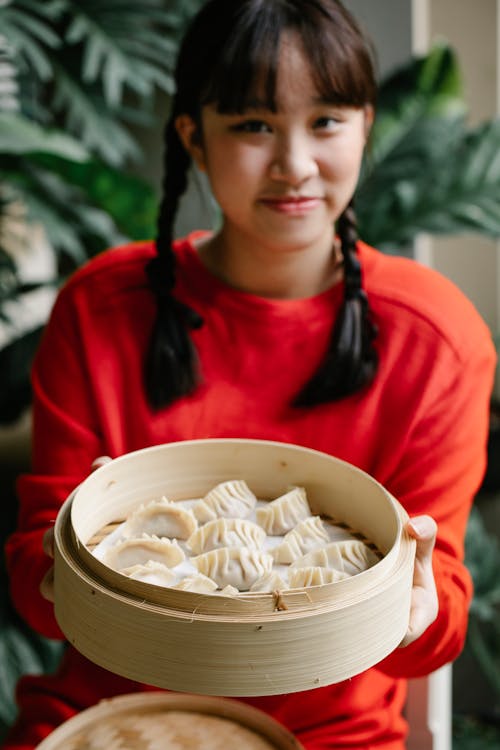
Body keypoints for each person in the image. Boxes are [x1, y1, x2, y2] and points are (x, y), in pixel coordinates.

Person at [4, 0, 496, 747]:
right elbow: (35, 595)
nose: (294, 164)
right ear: (193, 139)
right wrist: (70, 554)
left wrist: (417, 603)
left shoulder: (437, 339)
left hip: (332, 733)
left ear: (367, 125)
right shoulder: (101, 309)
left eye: (326, 121)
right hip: (108, 720)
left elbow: (441, 621)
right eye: (253, 125)